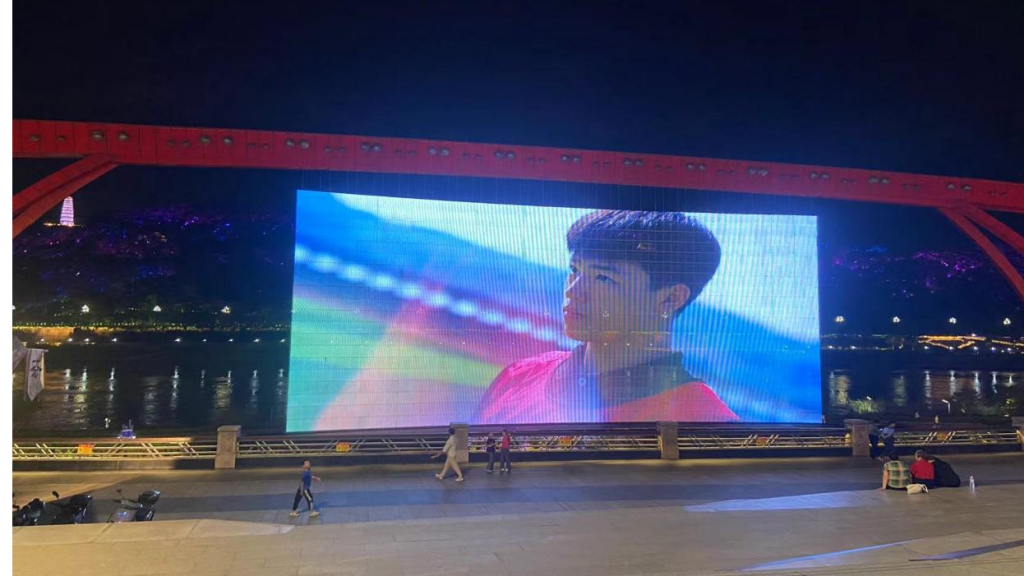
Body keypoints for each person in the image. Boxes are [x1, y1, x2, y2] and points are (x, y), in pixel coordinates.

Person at [475, 210, 738, 424]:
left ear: (670, 298)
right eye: (574, 269)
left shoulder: (711, 423)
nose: (573, 291)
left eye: (603, 277)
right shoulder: (518, 376)